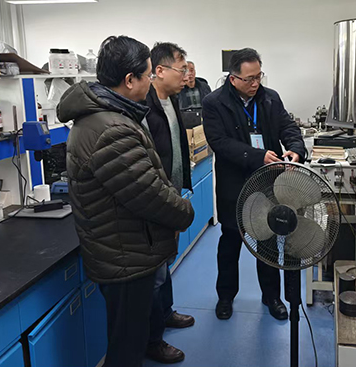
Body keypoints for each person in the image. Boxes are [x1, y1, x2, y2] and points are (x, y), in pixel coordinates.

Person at [57, 36, 194, 367]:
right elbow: (148, 193)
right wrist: (184, 211)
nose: (151, 81)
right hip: (124, 253)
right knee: (126, 346)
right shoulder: (110, 128)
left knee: (132, 334)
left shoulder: (111, 116)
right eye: (147, 75)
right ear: (130, 79)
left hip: (126, 246)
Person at [202, 48, 306, 321]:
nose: (255, 83)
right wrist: (257, 156)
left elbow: (288, 127)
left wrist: (295, 149)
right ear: (233, 78)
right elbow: (219, 142)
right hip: (233, 185)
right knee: (230, 241)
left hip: (267, 184)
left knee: (268, 240)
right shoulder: (214, 103)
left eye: (259, 76)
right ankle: (226, 296)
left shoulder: (270, 98)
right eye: (249, 79)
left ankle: (272, 296)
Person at [145, 42, 195, 334]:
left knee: (167, 258)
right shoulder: (145, 107)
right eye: (182, 69)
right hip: (156, 198)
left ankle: (166, 312)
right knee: (156, 270)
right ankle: (154, 337)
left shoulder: (172, 100)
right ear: (160, 70)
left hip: (172, 193)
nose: (186, 76)